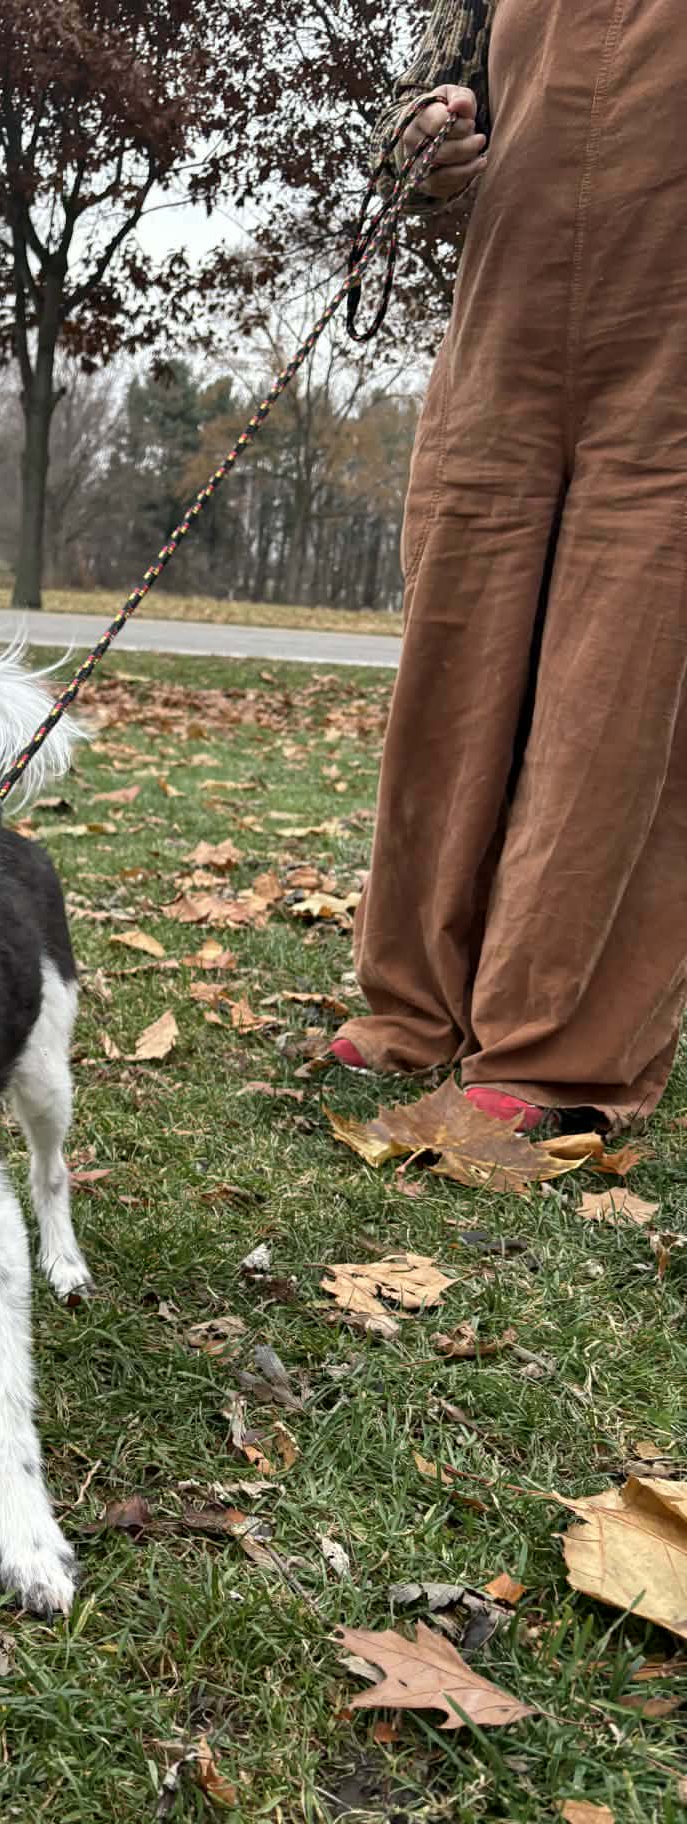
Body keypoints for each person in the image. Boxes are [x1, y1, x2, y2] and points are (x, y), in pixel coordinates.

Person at [332, 0, 687, 1134]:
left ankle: (558, 1052)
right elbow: (419, 116)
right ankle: (414, 1011)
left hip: (671, 362)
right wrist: (425, 138)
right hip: (503, 347)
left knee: (616, 700)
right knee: (455, 672)